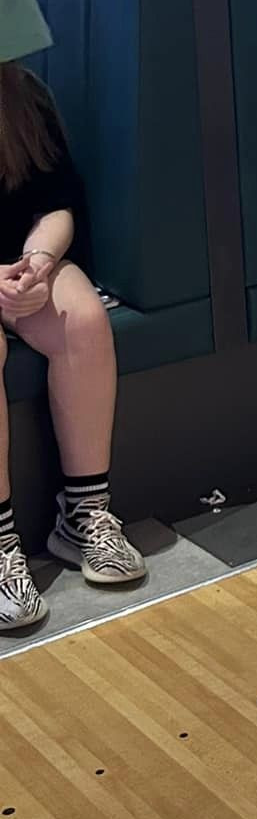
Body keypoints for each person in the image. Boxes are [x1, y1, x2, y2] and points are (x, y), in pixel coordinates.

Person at [0, 62, 146, 634]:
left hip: (20, 262)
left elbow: (56, 200)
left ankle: (84, 513)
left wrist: (36, 262)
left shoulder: (21, 89)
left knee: (83, 321)